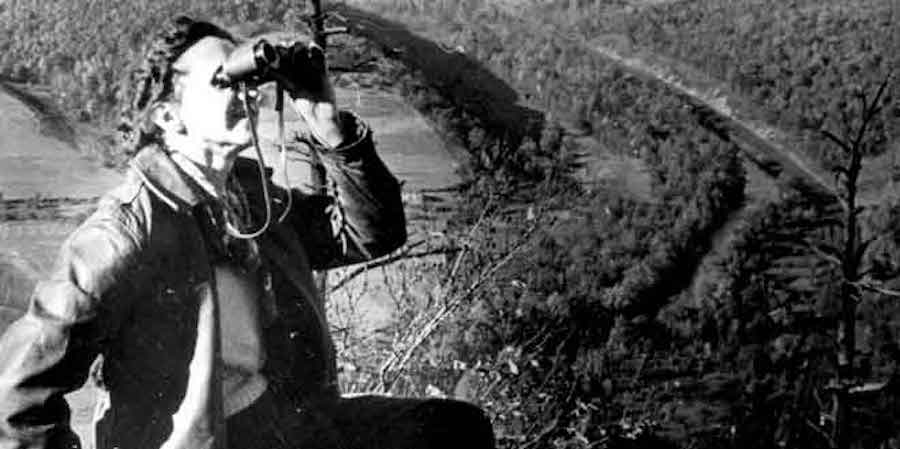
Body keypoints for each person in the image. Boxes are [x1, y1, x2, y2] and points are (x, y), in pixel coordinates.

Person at [0, 16, 494, 449]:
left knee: (453, 429)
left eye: (248, 80)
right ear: (168, 117)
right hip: (201, 438)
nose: (247, 92)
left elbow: (371, 236)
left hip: (288, 420)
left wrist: (327, 123)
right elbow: (18, 395)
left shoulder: (252, 195)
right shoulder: (127, 229)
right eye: (224, 82)